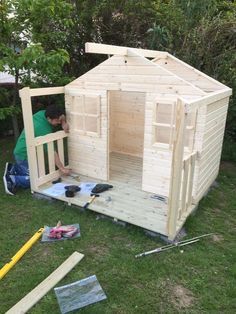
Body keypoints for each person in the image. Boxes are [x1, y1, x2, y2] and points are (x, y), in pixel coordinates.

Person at [3, 104, 71, 195]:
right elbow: (52, 152)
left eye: (59, 120)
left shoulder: (43, 113)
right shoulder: (42, 129)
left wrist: (63, 123)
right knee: (35, 180)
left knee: (38, 174)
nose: (58, 123)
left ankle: (14, 169)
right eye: (57, 121)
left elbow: (61, 115)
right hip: (23, 155)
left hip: (25, 151)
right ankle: (13, 179)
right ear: (49, 119)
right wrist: (62, 168)